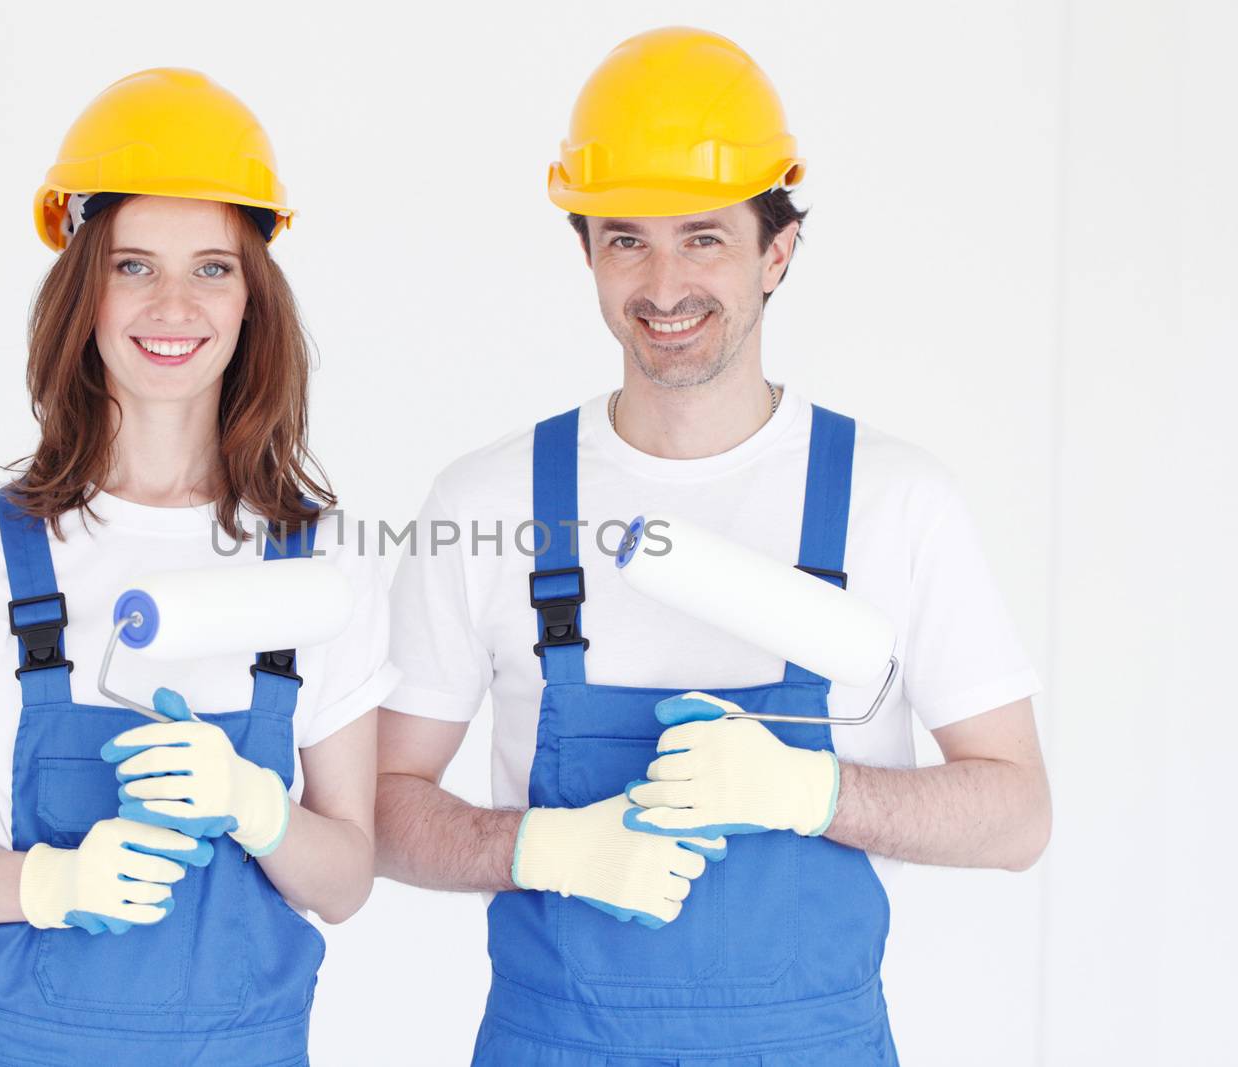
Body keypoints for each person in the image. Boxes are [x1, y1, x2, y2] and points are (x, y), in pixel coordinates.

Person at [375, 27, 1051, 1065]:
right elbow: (375, 806)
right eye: (625, 240)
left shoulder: (897, 499)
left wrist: (813, 791)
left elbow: (1015, 815)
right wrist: (541, 845)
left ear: (775, 251)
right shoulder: (488, 500)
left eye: (702, 238)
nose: (662, 285)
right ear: (588, 252)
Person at [0, 68, 397, 1066]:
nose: (173, 303)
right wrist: (45, 884)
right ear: (82, 287)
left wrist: (258, 806)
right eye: (134, 264)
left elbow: (345, 879)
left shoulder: (318, 565)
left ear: (254, 295)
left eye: (212, 268)